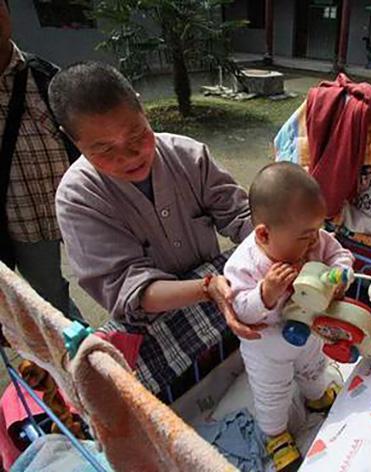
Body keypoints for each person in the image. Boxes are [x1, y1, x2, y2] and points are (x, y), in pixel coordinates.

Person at [51, 62, 261, 398]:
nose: (130, 155)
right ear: (71, 140)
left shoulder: (188, 155)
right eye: (104, 150)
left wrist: (281, 236)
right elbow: (129, 288)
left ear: (140, 105)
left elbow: (240, 215)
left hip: (218, 301)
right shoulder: (78, 198)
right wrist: (208, 288)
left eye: (137, 135)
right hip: (155, 323)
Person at [224, 162, 353, 471]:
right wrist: (265, 294)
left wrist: (340, 274)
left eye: (316, 233)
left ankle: (316, 396)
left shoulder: (315, 239)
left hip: (309, 329)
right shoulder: (244, 263)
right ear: (264, 234)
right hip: (266, 346)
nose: (314, 243)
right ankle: (275, 434)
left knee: (314, 367)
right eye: (305, 237)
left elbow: (339, 254)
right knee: (273, 393)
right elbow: (240, 308)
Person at [0, 0, 81, 319]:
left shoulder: (44, 75)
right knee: (49, 295)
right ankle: (79, 354)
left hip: (73, 210)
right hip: (20, 222)